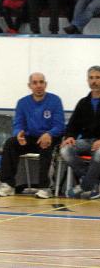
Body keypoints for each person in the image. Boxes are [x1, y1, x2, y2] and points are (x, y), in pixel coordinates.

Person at [0, 73, 65, 198]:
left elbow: (59, 126)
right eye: (35, 83)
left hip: (50, 137)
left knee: (45, 146)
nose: (38, 85)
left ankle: (44, 187)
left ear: (45, 84)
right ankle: (7, 185)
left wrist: (49, 134)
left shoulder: (55, 100)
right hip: (30, 137)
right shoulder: (23, 102)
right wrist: (19, 134)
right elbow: (18, 124)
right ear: (30, 85)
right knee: (10, 143)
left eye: (41, 82)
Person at [60, 66, 100, 199]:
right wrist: (69, 137)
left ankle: (84, 186)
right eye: (91, 78)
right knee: (65, 149)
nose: (94, 81)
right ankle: (90, 183)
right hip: (87, 141)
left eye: (98, 78)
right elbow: (73, 124)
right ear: (87, 80)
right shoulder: (83, 103)